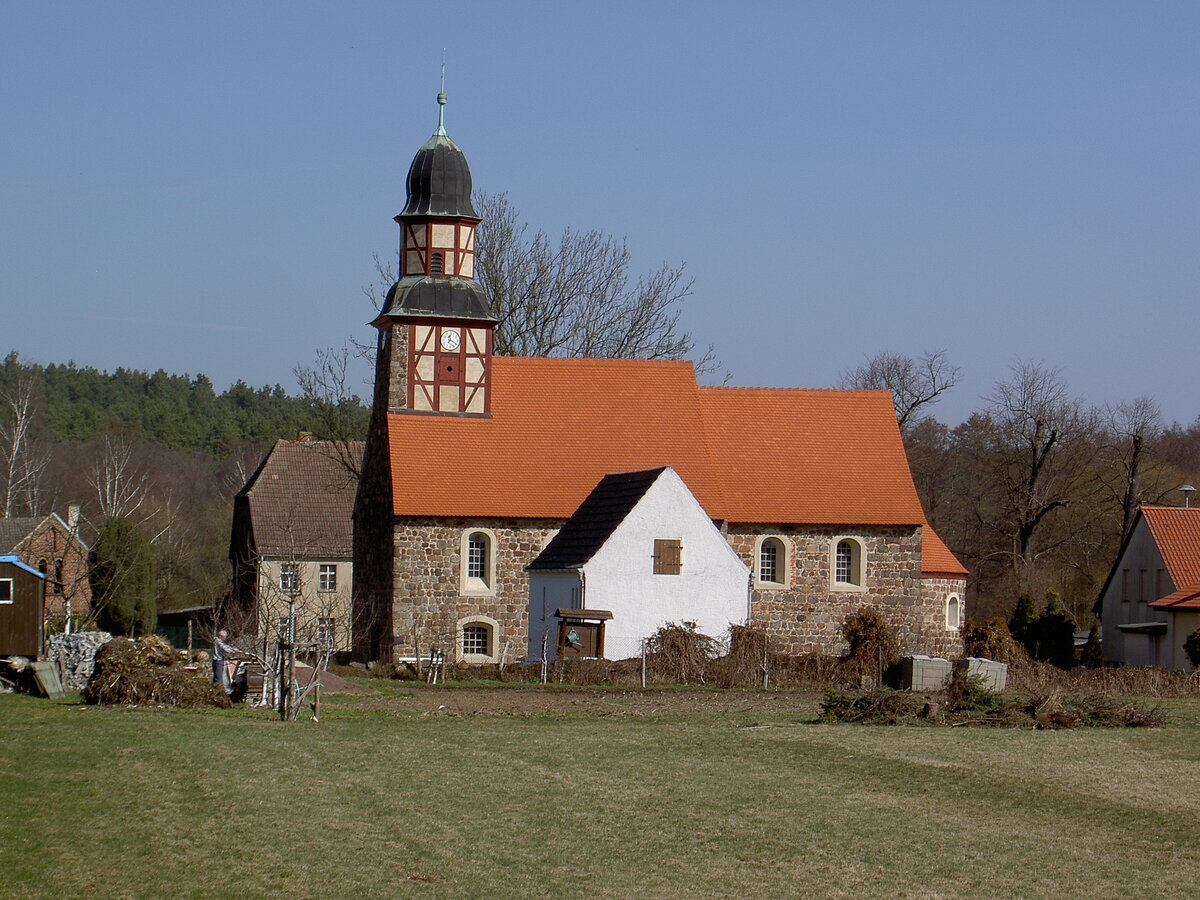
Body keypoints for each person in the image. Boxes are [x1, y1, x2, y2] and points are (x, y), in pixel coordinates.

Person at [212, 629, 239, 693]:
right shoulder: (217, 641)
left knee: (219, 677)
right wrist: (233, 651)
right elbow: (225, 648)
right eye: (224, 637)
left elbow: (227, 646)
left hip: (219, 660)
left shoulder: (219, 641)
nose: (225, 638)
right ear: (221, 636)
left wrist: (234, 649)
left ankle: (217, 691)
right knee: (218, 679)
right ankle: (218, 693)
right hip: (218, 661)